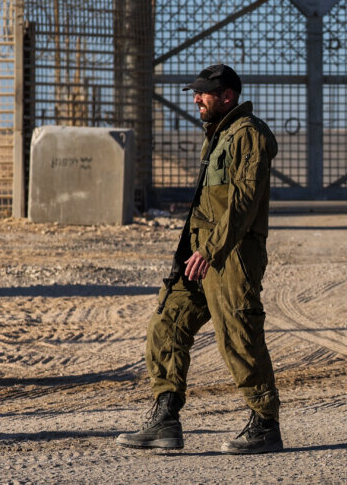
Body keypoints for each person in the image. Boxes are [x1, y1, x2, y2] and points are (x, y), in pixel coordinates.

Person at [117, 64, 284, 454]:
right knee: (166, 322)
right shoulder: (220, 135)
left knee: (238, 336)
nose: (196, 99)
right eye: (196, 92)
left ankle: (265, 424)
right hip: (200, 255)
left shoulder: (250, 135)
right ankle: (165, 419)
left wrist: (211, 250)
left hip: (232, 255)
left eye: (204, 93)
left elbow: (242, 202)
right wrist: (192, 251)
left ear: (227, 96)